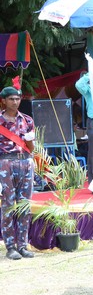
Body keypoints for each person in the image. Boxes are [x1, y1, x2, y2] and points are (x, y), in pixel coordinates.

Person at [0, 86, 36, 260]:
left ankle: (22, 245)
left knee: (24, 205)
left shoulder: (27, 120)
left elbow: (31, 148)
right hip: (5, 162)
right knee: (8, 205)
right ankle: (10, 247)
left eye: (17, 99)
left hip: (25, 162)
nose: (15, 102)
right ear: (3, 101)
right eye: (11, 99)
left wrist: (30, 142)